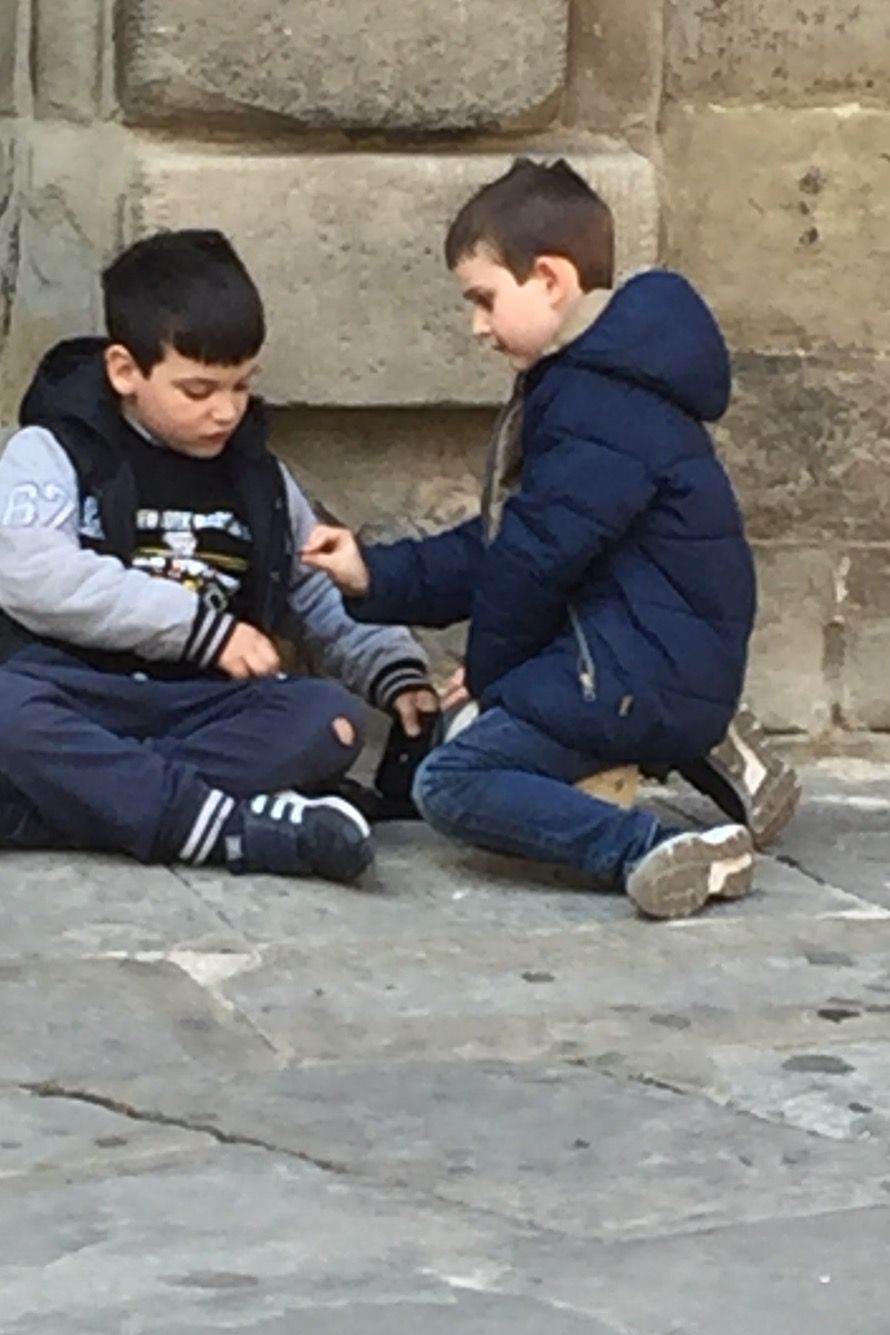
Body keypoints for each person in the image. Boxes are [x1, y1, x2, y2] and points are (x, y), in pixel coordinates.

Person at [304, 159, 798, 919]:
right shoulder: (600, 381)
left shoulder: (599, 400)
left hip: (640, 664)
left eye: (483, 299)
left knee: (454, 780)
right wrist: (375, 572)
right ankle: (703, 738)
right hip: (643, 651)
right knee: (479, 732)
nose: (475, 326)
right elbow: (508, 542)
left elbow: (533, 562)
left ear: (551, 281)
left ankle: (653, 848)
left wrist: (493, 672)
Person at [0, 229, 437, 884]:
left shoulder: (259, 477)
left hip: (195, 707)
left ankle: (50, 807)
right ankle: (228, 832)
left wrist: (394, 670)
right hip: (74, 689)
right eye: (198, 391)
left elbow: (318, 586)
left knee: (328, 722)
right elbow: (32, 573)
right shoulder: (54, 450)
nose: (225, 412)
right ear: (125, 371)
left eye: (241, 386)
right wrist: (204, 632)